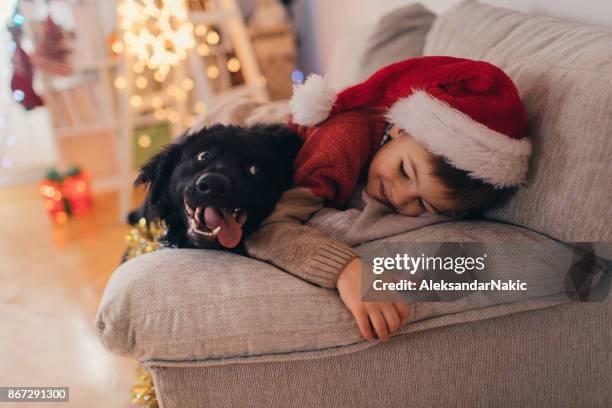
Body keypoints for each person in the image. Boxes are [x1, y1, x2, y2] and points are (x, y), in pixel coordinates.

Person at [244, 56, 532, 342]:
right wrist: (345, 269)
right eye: (405, 171)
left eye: (422, 205)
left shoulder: (423, 182)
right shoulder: (342, 141)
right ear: (398, 130)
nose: (400, 197)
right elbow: (269, 227)